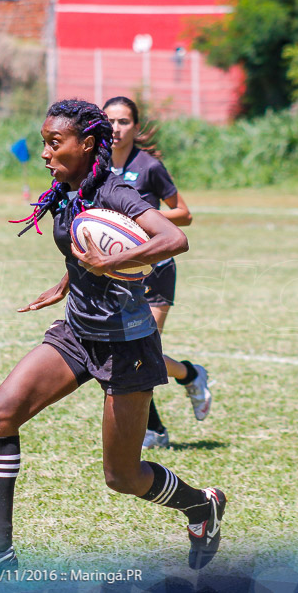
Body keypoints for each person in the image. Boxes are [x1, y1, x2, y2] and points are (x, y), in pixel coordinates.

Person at [0, 99, 226, 573]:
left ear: (85, 144)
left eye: (53, 142)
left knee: (122, 476)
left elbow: (174, 238)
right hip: (78, 333)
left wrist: (111, 263)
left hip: (128, 345)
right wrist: (66, 282)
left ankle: (200, 506)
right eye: (42, 142)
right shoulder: (67, 187)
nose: (45, 152)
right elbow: (80, 245)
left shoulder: (116, 191)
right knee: (0, 415)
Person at [102, 96, 212, 450]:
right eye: (110, 122)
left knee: (141, 352)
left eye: (123, 122)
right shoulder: (98, 167)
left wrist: (142, 217)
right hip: (119, 272)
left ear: (135, 126)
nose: (116, 129)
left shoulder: (149, 167)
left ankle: (186, 383)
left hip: (156, 269)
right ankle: (184, 384)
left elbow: (184, 213)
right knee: (124, 353)